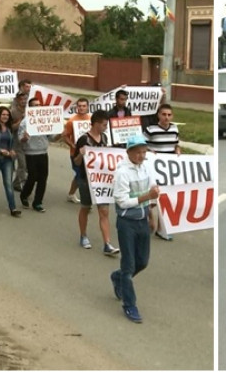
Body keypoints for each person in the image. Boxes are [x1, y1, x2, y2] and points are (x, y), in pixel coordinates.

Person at [109, 135, 160, 323]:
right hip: (127, 223)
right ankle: (130, 305)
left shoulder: (146, 168)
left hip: (142, 221)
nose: (141, 155)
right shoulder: (122, 173)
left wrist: (151, 215)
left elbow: (153, 192)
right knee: (129, 265)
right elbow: (121, 201)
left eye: (144, 152)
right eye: (137, 152)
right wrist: (146, 196)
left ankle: (118, 277)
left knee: (143, 262)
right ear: (129, 152)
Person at [72, 110, 120, 255]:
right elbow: (76, 162)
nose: (106, 127)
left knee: (104, 211)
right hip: (86, 180)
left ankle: (107, 244)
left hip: (102, 181)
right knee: (85, 208)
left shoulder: (104, 138)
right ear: (97, 123)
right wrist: (81, 153)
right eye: (104, 124)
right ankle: (83, 235)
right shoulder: (83, 140)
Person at [144, 103, 180, 241]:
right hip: (153, 169)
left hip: (169, 170)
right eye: (164, 114)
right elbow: (141, 144)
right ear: (158, 115)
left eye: (169, 115)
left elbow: (176, 144)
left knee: (165, 198)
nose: (166, 117)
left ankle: (161, 228)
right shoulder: (150, 130)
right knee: (152, 199)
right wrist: (148, 150)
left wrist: (177, 150)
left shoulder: (174, 129)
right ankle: (150, 218)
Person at [17, 97, 58, 212]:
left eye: (39, 105)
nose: (38, 107)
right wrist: (24, 138)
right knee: (32, 176)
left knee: (43, 178)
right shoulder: (25, 122)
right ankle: (24, 195)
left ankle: (38, 202)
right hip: (31, 153)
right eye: (35, 105)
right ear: (30, 108)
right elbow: (20, 139)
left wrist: (61, 134)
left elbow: (52, 137)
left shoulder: (45, 120)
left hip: (43, 153)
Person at [62, 98, 91, 203]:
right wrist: (72, 145)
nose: (81, 108)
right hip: (75, 153)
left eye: (84, 106)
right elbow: (64, 136)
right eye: (79, 106)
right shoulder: (71, 121)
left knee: (84, 175)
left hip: (89, 153)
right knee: (80, 175)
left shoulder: (91, 119)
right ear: (76, 107)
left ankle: (71, 194)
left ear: (87, 107)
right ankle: (85, 198)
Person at [10, 91, 28, 192]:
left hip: (28, 142)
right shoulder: (13, 112)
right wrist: (22, 118)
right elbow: (11, 127)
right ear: (17, 101)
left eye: (25, 99)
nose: (24, 101)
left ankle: (16, 183)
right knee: (23, 164)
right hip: (17, 142)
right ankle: (23, 184)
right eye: (21, 100)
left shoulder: (30, 110)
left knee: (27, 166)